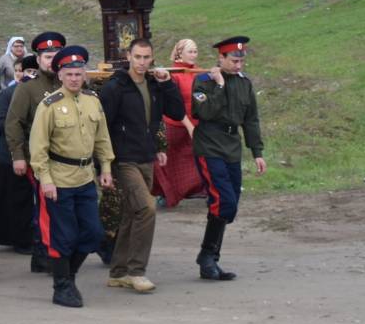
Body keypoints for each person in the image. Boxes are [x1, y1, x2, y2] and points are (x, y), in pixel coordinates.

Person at [28, 46, 116, 308]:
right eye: (70, 74)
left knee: (92, 232)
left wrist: (107, 168)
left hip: (85, 178)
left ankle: (69, 275)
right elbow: (39, 147)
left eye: (79, 74)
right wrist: (45, 180)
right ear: (61, 75)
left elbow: (102, 138)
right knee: (62, 237)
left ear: (85, 75)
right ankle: (62, 285)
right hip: (59, 180)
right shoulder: (49, 105)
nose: (75, 78)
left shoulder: (92, 101)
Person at [98, 38, 185, 293]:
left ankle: (118, 272)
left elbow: (176, 112)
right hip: (123, 160)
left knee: (132, 213)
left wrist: (167, 85)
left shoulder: (154, 84)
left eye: (147, 58)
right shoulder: (115, 87)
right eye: (137, 57)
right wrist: (104, 165)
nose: (142, 63)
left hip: (146, 157)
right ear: (128, 56)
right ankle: (137, 271)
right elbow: (102, 128)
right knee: (147, 209)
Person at [190, 36, 266, 282]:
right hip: (210, 145)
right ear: (220, 58)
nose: (238, 66)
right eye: (233, 61)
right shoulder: (203, 82)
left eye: (241, 61)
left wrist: (257, 152)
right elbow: (205, 111)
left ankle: (209, 258)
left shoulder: (244, 84)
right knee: (223, 202)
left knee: (228, 203)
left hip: (232, 147)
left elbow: (251, 119)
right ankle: (208, 257)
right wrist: (220, 85)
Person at [0, 31, 66, 268]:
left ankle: (42, 252)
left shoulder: (71, 84)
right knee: (47, 206)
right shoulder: (27, 89)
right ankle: (48, 253)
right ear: (37, 60)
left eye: (56, 56)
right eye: (47, 56)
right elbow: (13, 123)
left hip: (68, 159)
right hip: (37, 159)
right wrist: (18, 156)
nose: (51, 61)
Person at [155, 38, 205, 206]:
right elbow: (172, 103)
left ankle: (196, 191)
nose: (194, 55)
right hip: (175, 126)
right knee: (169, 163)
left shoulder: (198, 73)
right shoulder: (174, 74)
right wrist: (185, 123)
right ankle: (165, 194)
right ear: (179, 53)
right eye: (190, 51)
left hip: (196, 125)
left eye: (195, 51)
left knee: (194, 162)